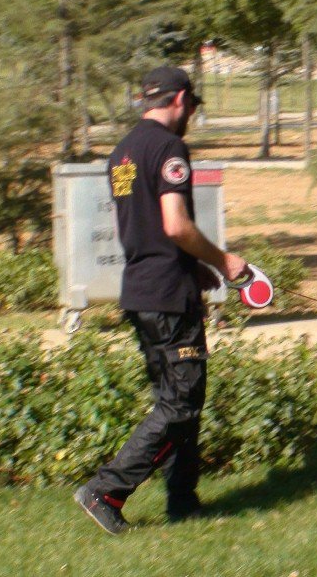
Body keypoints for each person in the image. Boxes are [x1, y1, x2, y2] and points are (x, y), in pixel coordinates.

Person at [74, 66, 248, 535]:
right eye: (192, 104)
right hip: (169, 296)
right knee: (180, 404)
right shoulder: (170, 148)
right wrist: (224, 260)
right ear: (180, 99)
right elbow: (173, 224)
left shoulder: (123, 151)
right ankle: (105, 490)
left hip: (142, 289)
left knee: (177, 399)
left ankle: (183, 502)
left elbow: (141, 225)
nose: (192, 113)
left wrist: (197, 265)